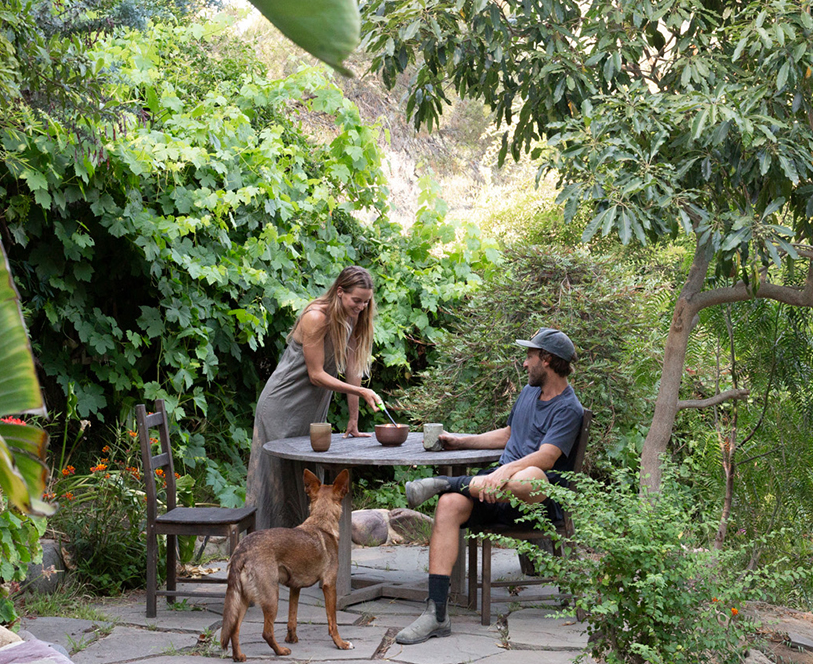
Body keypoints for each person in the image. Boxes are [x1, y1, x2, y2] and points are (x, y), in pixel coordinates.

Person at [395, 327, 585, 644]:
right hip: (493, 488)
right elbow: (510, 434)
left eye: (530, 356)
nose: (525, 363)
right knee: (449, 505)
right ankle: (436, 613)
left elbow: (547, 457)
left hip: (533, 504)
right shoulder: (529, 393)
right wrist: (461, 441)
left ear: (547, 360)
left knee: (528, 477)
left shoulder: (569, 408)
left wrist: (505, 471)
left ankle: (449, 482)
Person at [245, 266, 382, 529]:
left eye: (366, 301)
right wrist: (361, 392)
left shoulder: (353, 317)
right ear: (340, 292)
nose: (362, 306)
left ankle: (303, 551)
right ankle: (266, 548)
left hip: (311, 411)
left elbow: (353, 369)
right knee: (279, 481)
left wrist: (353, 419)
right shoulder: (316, 317)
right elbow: (316, 375)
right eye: (357, 300)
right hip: (281, 406)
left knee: (307, 479)